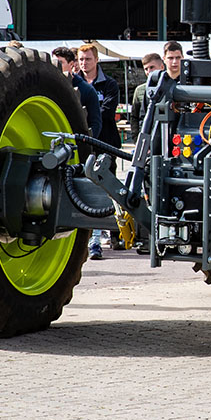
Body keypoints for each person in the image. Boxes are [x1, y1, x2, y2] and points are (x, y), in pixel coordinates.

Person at [77, 44, 121, 260]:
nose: (85, 63)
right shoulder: (74, 83)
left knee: (109, 186)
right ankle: (91, 235)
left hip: (106, 142)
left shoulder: (109, 84)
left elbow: (107, 111)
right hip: (85, 144)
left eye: (88, 59)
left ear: (96, 60)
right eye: (81, 59)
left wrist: (86, 116)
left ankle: (116, 232)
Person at [51, 47, 103, 139]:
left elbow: (95, 123)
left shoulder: (87, 90)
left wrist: (87, 145)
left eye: (60, 63)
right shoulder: (47, 85)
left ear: (71, 64)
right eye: (53, 62)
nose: (55, 66)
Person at [129, 52, 164, 134]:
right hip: (147, 134)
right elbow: (134, 116)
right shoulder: (140, 90)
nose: (149, 71)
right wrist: (136, 138)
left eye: (152, 67)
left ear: (162, 67)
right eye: (146, 69)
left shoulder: (171, 87)